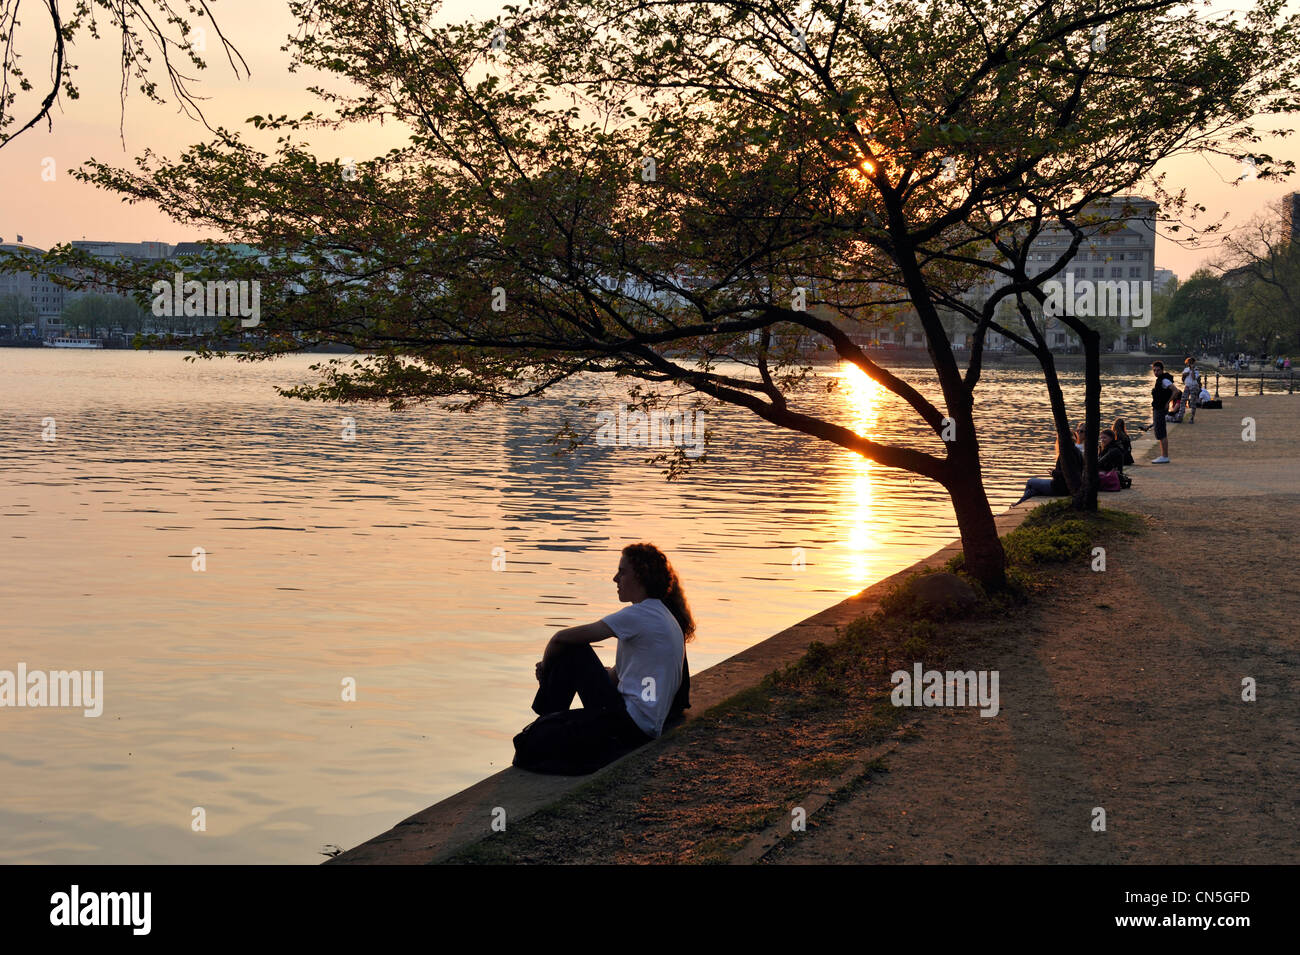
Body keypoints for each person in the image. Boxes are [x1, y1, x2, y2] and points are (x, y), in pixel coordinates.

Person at [513, 543, 694, 775]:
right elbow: (616, 676)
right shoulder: (663, 616)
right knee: (574, 656)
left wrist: (546, 668)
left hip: (629, 724)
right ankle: (548, 717)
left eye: (622, 571)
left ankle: (547, 715)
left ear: (639, 575)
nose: (615, 578)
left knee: (573, 649)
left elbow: (560, 638)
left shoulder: (637, 615)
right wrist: (584, 672)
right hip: (643, 723)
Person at [1015, 435, 1081, 505]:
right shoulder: (1076, 451)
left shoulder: (1066, 453)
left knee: (1030, 482)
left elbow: (1068, 474)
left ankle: (1018, 505)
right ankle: (1018, 504)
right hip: (1066, 487)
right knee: (1032, 491)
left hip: (1060, 488)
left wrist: (1053, 473)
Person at [1147, 360, 1176, 463]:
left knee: (1161, 432)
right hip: (1158, 408)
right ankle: (1164, 455)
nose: (1156, 372)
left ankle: (1165, 456)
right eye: (1154, 370)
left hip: (1160, 409)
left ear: (1162, 370)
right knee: (1159, 432)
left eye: (1158, 370)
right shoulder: (1160, 380)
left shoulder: (1164, 380)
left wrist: (1168, 402)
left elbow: (1176, 391)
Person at [1181, 357, 1200, 424]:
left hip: (1194, 386)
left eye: (1191, 362)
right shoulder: (1186, 369)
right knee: (1183, 401)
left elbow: (1193, 377)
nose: (1190, 364)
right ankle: (1181, 416)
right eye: (1189, 362)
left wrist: (1192, 370)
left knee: (1192, 402)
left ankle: (1191, 418)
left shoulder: (1196, 370)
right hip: (1187, 386)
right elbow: (1182, 378)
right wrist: (1185, 375)